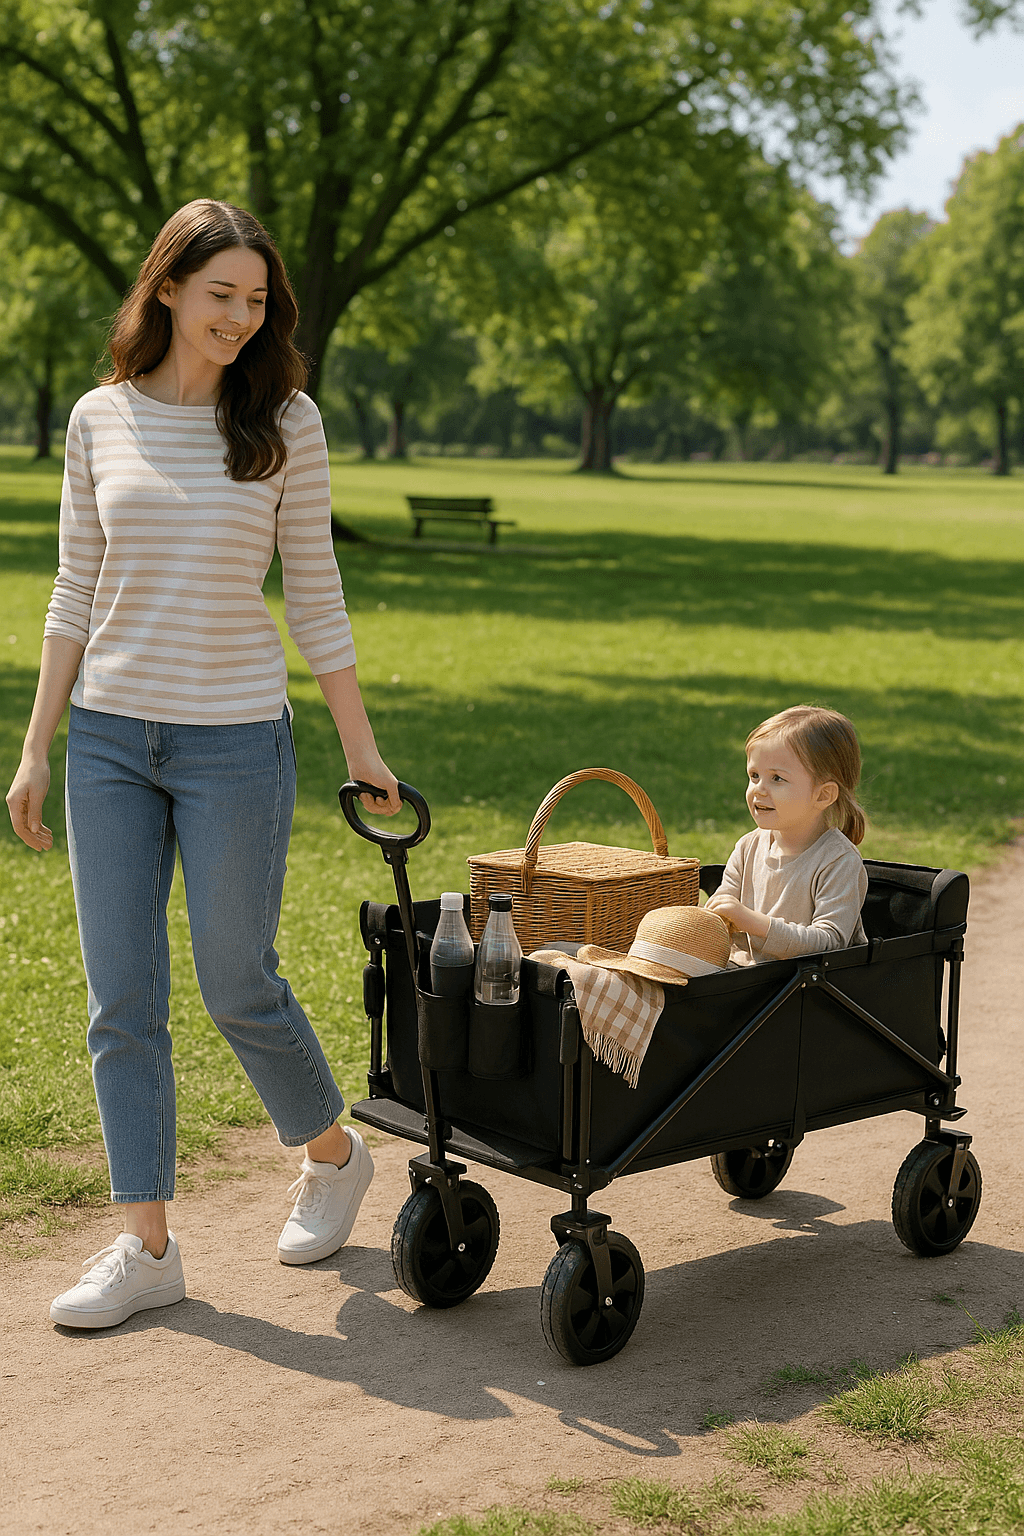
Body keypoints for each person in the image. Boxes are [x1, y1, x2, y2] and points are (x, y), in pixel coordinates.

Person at [5, 199, 401, 1330]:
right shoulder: (99, 418)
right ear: (167, 288)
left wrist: (361, 748)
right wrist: (37, 747)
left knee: (237, 980)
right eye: (220, 293)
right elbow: (73, 589)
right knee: (120, 1000)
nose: (240, 316)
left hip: (235, 741)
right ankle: (147, 1246)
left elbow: (315, 596)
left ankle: (332, 1156)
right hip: (111, 742)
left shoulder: (285, 421)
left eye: (257, 299)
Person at [705, 705, 867, 967]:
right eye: (754, 775)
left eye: (777, 778)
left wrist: (752, 922)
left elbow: (830, 943)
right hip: (739, 977)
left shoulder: (838, 861)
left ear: (823, 795)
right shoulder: (749, 846)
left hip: (801, 991)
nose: (759, 789)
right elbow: (723, 913)